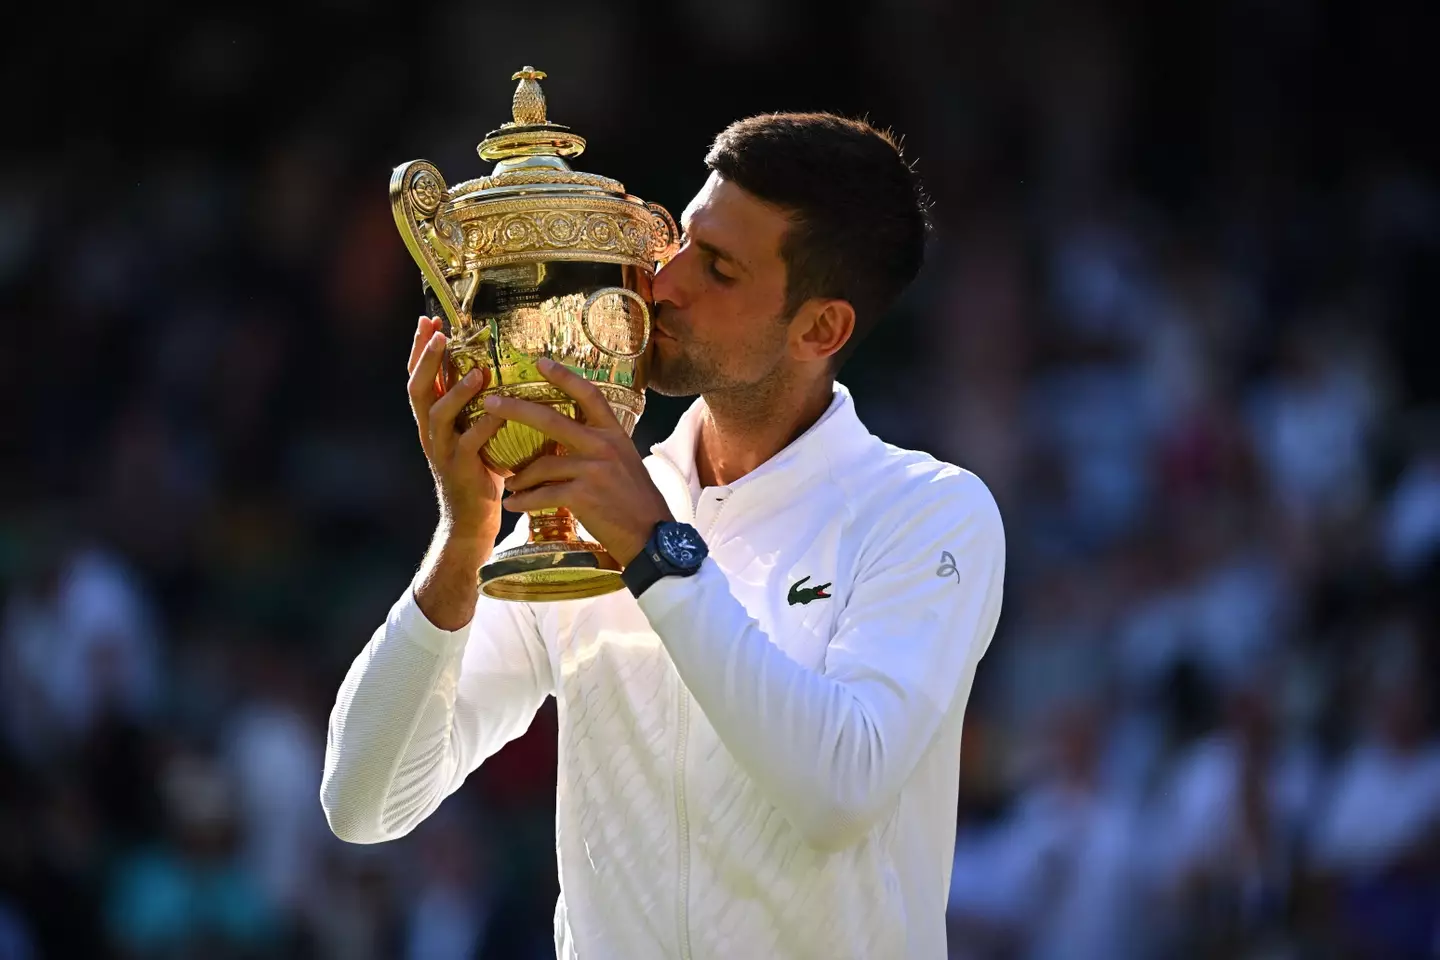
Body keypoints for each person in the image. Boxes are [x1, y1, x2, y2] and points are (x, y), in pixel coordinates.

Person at [322, 112, 1006, 959]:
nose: (664, 282)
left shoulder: (930, 513)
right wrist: (464, 540)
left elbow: (840, 790)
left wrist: (655, 548)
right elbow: (364, 801)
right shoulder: (587, 506)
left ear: (820, 330)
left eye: (717, 269)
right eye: (682, 239)